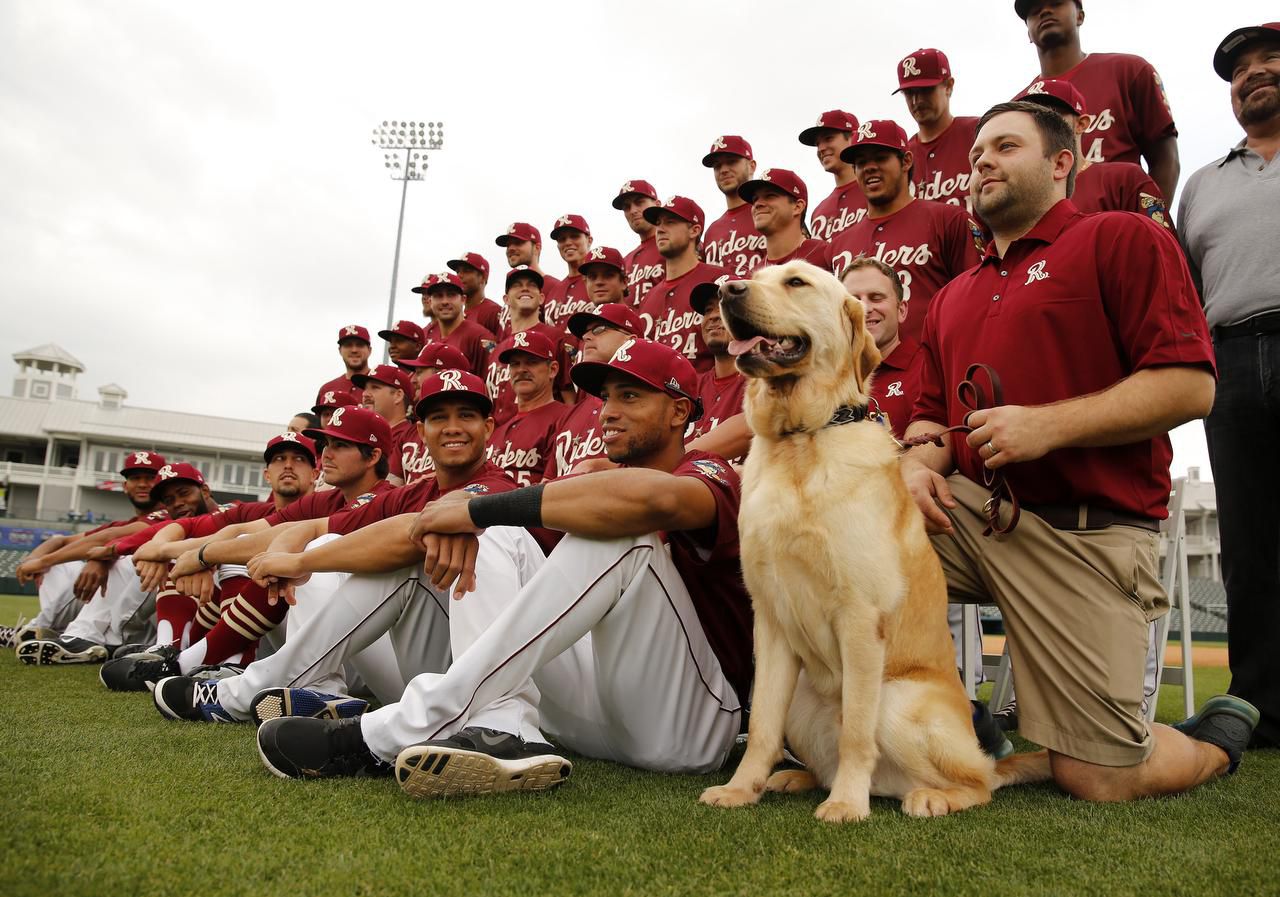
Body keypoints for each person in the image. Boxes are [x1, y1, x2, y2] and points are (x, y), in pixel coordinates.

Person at [903, 100, 1257, 801]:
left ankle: (1214, 742)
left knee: (1099, 776)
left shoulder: (1119, 239)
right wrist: (913, 467)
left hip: (1086, 536)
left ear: (1063, 162)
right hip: (976, 519)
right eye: (976, 157)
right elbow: (929, 425)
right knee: (842, 524)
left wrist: (1046, 426)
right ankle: (956, 721)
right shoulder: (953, 298)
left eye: (1005, 148)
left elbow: (1189, 387)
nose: (982, 165)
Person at [248, 340, 750, 800]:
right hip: (585, 719)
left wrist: (476, 509)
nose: (609, 413)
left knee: (619, 534)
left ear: (679, 411)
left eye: (630, 398)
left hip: (689, 725)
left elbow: (654, 499)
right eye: (606, 398)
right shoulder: (596, 482)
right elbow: (395, 531)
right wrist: (472, 519)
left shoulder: (708, 471)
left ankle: (402, 725)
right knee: (493, 534)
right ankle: (505, 724)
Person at [151, 370, 518, 726]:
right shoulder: (412, 492)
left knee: (385, 550)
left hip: (495, 677)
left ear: (488, 427)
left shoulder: (499, 486)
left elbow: (425, 523)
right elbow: (302, 527)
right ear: (421, 432)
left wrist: (299, 559)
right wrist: (211, 555)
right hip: (420, 672)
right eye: (439, 417)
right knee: (322, 543)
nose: (453, 427)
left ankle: (236, 680)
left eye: (466, 415)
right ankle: (316, 689)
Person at [1177, 21, 1280, 750]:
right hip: (1234, 357)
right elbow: (1185, 289)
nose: (1253, 74)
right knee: (1249, 539)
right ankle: (1263, 709)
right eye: (1239, 70)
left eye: (1270, 60)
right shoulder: (1203, 182)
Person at [97, 434, 319, 690]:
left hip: (316, 633)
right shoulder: (255, 512)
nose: (288, 465)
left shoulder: (327, 502)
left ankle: (226, 663)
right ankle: (171, 649)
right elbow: (183, 528)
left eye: (298, 459)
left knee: (242, 548)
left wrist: (203, 557)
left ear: (315, 473)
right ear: (267, 475)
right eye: (280, 459)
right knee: (198, 553)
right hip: (269, 622)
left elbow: (236, 540)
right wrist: (175, 555)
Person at [19, 462, 218, 665]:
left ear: (205, 490)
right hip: (179, 608)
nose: (177, 503)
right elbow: (116, 541)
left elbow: (122, 539)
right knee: (137, 555)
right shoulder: (172, 521)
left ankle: (85, 636)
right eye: (169, 499)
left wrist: (192, 559)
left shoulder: (232, 513)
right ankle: (75, 635)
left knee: (148, 558)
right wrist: (101, 557)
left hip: (222, 610)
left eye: (149, 478)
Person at [831, 119, 984, 344]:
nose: (870, 167)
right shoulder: (839, 245)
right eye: (861, 162)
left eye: (881, 158)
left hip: (930, 370)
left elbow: (977, 299)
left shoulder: (949, 219)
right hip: (861, 375)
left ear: (906, 161)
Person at [1013, 0, 1179, 203]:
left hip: (1118, 224)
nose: (1045, 11)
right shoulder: (1017, 107)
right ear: (1028, 33)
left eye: (1056, 3)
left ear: (1080, 15)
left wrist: (1149, 224)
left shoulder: (1129, 71)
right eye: (1034, 10)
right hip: (1046, 228)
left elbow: (1165, 159)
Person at [14, 451, 168, 645]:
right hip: (119, 614)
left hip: (149, 617)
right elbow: (59, 541)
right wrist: (33, 560)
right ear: (125, 486)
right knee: (58, 565)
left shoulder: (170, 514)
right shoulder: (122, 523)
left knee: (123, 560)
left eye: (150, 477)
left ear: (162, 483)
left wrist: (100, 559)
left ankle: (38, 629)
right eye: (135, 478)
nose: (143, 484)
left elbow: (115, 538)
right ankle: (54, 632)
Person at [1016, 79, 1173, 229]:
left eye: (1051, 115)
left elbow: (1164, 249)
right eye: (1028, 119)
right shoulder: (1015, 195)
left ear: (1081, 124)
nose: (1038, 125)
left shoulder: (1124, 179)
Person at [546, 303, 644, 478]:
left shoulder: (647, 402)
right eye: (586, 332)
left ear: (631, 340)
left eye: (599, 329)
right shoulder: (569, 415)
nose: (586, 337)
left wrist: (599, 467)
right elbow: (547, 481)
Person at [637, 196, 726, 371]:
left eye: (670, 222)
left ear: (694, 230)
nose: (660, 230)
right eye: (658, 223)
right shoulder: (648, 299)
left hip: (706, 393)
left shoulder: (719, 280)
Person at [485, 266, 576, 422]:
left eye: (532, 285)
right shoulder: (498, 350)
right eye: (517, 285)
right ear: (506, 299)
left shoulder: (557, 338)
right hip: (501, 436)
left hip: (544, 431)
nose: (525, 288)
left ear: (541, 298)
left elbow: (569, 397)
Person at [895, 48, 979, 208]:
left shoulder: (979, 132)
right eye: (909, 93)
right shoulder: (902, 154)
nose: (916, 101)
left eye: (925, 90)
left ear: (949, 86)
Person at [488, 330, 568, 486]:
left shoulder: (566, 418)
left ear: (553, 369)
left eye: (531, 362)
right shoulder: (497, 431)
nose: (521, 369)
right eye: (515, 364)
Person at [686, 279, 749, 463]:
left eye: (723, 307)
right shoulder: (688, 386)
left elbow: (749, 428)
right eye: (708, 310)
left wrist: (674, 463)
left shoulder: (766, 382)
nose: (713, 316)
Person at [396, 342, 471, 483]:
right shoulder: (409, 433)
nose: (412, 380)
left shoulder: (473, 428)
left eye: (418, 372)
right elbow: (392, 483)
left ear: (443, 375)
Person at [738, 168, 833, 271]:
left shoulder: (827, 255)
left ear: (797, 207)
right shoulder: (754, 275)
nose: (757, 204)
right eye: (755, 199)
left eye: (770, 196)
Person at [799, 110, 868, 242]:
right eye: (817, 143)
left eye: (828, 138)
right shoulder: (819, 212)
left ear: (853, 138)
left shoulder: (876, 191)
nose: (821, 148)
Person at [701, 136, 766, 276]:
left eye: (732, 162)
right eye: (717, 166)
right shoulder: (711, 231)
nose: (723, 170)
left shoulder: (770, 213)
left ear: (752, 166)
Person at [413, 272, 496, 377]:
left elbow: (493, 382)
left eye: (451, 295)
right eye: (438, 296)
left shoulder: (479, 337)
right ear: (430, 301)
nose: (445, 301)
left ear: (463, 300)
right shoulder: (428, 336)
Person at [353, 364, 416, 486]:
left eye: (375, 388)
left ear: (398, 395)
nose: (365, 394)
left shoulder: (411, 437)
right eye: (365, 389)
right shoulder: (364, 438)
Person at [613, 180, 665, 309]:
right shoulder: (625, 261)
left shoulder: (677, 246)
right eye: (627, 207)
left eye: (639, 202)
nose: (632, 210)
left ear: (657, 205)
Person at [543, 214, 594, 330]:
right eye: (562, 239)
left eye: (574, 236)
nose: (568, 242)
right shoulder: (553, 293)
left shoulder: (601, 282)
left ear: (589, 240)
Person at [495, 222, 561, 300]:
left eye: (518, 243)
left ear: (537, 248)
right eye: (508, 245)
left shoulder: (554, 287)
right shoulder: (510, 286)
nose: (510, 249)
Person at [446, 251, 504, 336]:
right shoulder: (455, 314)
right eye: (458, 271)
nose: (459, 276)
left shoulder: (493, 312)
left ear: (482, 278)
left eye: (466, 271)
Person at [317, 325, 372, 398]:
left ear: (369, 350)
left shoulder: (383, 384)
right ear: (340, 350)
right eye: (348, 345)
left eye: (360, 345)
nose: (354, 350)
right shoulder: (327, 390)